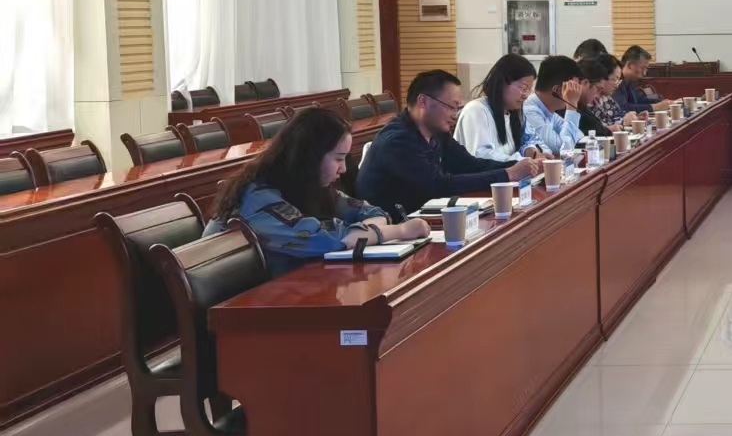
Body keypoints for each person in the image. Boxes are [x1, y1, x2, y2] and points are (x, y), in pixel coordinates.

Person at [205, 106, 429, 278]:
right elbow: (323, 239)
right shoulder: (258, 198)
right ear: (310, 157)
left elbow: (370, 211)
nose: (343, 169)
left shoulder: (307, 187)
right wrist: (399, 230)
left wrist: (366, 232)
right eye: (338, 159)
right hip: (240, 310)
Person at [357, 69, 541, 216]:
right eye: (451, 107)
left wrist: (521, 166)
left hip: (425, 219)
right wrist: (507, 174)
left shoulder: (436, 132)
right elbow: (439, 185)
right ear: (423, 102)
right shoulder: (398, 141)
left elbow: (471, 165)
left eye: (457, 108)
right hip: (393, 229)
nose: (455, 114)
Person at [453, 54, 540, 161]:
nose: (526, 95)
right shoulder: (476, 110)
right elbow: (481, 155)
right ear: (502, 83)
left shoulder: (514, 113)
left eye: (529, 89)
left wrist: (530, 150)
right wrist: (521, 161)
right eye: (523, 88)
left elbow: (528, 139)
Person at [523, 54, 585, 156]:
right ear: (557, 90)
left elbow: (579, 136)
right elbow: (562, 147)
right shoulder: (530, 111)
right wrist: (571, 105)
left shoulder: (548, 110)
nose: (577, 93)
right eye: (572, 88)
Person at [578, 53, 631, 136]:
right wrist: (609, 129)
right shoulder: (578, 104)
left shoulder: (604, 98)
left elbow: (617, 116)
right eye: (615, 79)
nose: (597, 95)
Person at [613, 45, 660, 115]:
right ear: (629, 65)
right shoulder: (615, 80)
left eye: (646, 69)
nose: (644, 73)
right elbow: (623, 107)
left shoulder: (630, 80)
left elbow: (639, 98)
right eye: (642, 68)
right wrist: (654, 107)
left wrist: (658, 97)